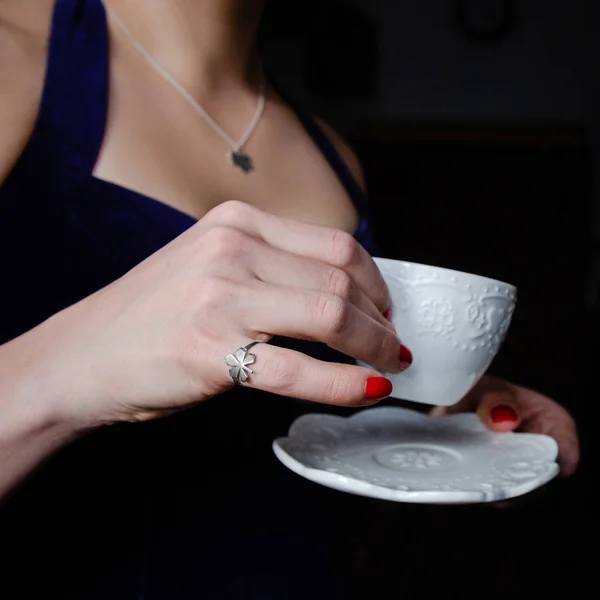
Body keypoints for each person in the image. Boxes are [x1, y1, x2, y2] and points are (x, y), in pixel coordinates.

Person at [0, 0, 579, 598]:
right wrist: (72, 367)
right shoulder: (12, 58)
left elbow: (284, 438)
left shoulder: (332, 153)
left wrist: (431, 424)